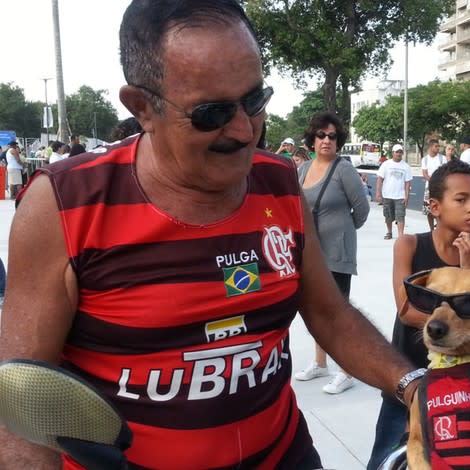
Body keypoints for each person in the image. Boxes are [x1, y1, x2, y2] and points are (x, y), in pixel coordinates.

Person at [0, 2, 421, 469]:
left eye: (255, 100)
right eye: (212, 112)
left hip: (283, 456)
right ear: (142, 107)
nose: (244, 130)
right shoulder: (67, 204)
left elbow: (330, 314)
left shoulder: (279, 182)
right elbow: (21, 399)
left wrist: (414, 385)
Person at [367, 160, 470, 469]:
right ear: (435, 206)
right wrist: (456, 322)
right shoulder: (409, 245)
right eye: (460, 200)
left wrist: (466, 267)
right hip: (406, 374)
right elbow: (407, 310)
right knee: (387, 455)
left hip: (456, 382)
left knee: (448, 459)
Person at [295, 112, 370, 395]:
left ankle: (346, 370)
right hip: (313, 253)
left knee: (338, 313)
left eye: (332, 136)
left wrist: (341, 233)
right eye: (321, 135)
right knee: (315, 311)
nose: (326, 140)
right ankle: (320, 363)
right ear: (312, 139)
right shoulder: (303, 169)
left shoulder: (344, 170)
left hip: (337, 253)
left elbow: (360, 211)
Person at [376, 144, 412, 239]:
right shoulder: (386, 164)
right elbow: (380, 179)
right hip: (387, 195)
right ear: (393, 153)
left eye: (400, 152)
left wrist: (407, 196)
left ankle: (400, 235)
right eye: (397, 152)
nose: (399, 154)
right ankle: (389, 232)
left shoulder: (406, 166)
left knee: (400, 216)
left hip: (400, 196)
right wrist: (378, 193)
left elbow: (407, 183)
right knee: (388, 216)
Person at [421, 138, 447, 231]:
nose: (437, 148)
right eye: (436, 146)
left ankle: (440, 227)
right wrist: (432, 181)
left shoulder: (442, 158)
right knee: (429, 210)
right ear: (431, 147)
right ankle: (431, 229)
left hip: (440, 186)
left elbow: (445, 171)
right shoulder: (425, 159)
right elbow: (425, 174)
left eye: (438, 146)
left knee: (440, 208)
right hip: (429, 187)